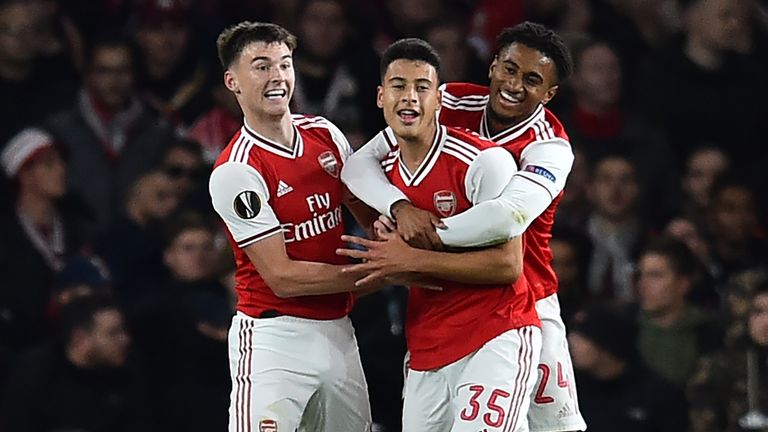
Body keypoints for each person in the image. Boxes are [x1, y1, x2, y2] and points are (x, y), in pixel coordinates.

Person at [341, 22, 586, 432]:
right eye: (509, 69)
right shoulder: (447, 99)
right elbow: (361, 164)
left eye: (532, 80)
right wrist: (400, 208)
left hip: (524, 295)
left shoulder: (550, 148)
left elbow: (507, 218)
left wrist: (419, 242)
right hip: (441, 302)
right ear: (492, 66)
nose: (514, 85)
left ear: (549, 94)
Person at [208, 21, 379, 432]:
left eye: (285, 64)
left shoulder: (325, 134)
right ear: (232, 81)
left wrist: (404, 238)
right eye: (262, 66)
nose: (277, 77)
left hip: (338, 330)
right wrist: (377, 273)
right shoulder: (237, 169)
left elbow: (371, 214)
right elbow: (283, 277)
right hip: (274, 339)